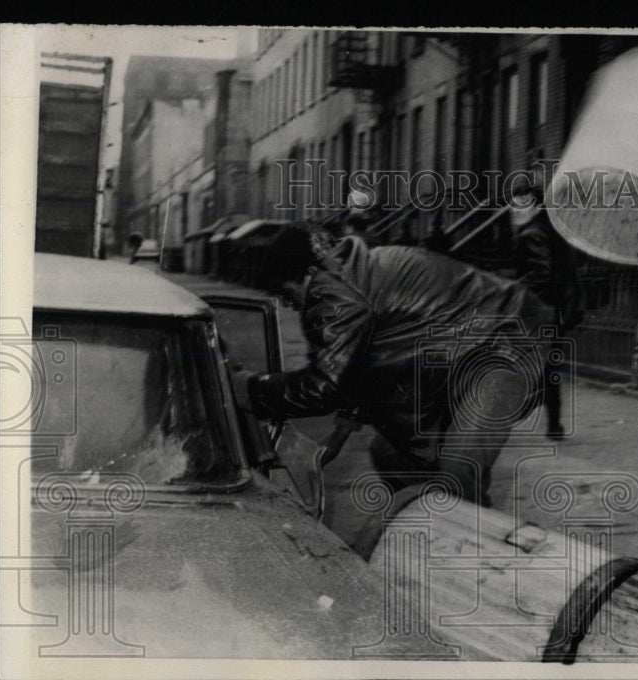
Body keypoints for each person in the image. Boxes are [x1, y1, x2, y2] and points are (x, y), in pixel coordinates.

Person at [231, 225, 558, 507]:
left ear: (307, 275)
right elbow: (359, 363)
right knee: (391, 454)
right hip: (464, 354)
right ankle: (443, 528)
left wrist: (250, 388)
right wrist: (343, 429)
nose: (289, 303)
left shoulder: (333, 288)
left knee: (460, 465)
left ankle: (476, 557)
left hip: (507, 342)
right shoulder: (351, 271)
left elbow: (324, 386)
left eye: (288, 292)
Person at [509, 177, 583, 440]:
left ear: (536, 207)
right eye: (514, 207)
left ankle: (532, 410)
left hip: (542, 309)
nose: (516, 212)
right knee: (549, 365)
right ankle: (553, 423)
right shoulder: (555, 228)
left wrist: (511, 288)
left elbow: (540, 274)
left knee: (531, 363)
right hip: (560, 307)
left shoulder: (531, 234)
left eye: (521, 207)